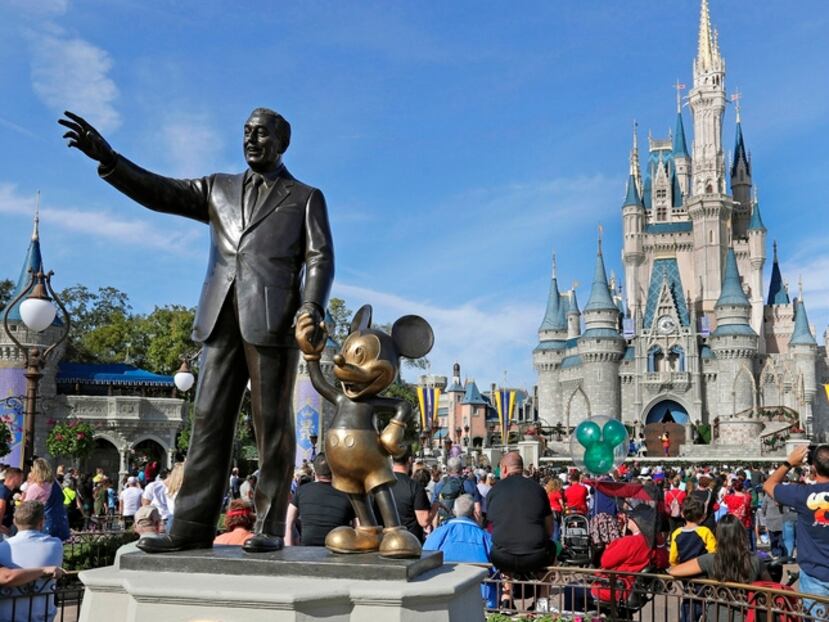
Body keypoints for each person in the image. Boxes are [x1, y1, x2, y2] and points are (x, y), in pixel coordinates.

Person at [60, 105, 335, 555]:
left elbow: (320, 257)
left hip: (272, 320)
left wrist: (311, 307)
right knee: (207, 420)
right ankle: (190, 525)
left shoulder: (304, 196)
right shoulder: (218, 188)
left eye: (262, 134)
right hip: (220, 316)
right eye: (246, 132)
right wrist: (109, 159)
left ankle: (267, 524)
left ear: (283, 142)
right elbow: (160, 192)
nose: (251, 140)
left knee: (270, 426)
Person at [764, 445, 829, 615]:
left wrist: (789, 463)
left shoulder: (802, 494)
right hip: (815, 574)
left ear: (813, 468)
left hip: (815, 575)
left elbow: (769, 485)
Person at [669, 514, 770, 622]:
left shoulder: (710, 560)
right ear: (741, 534)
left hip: (716, 614)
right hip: (746, 615)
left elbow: (674, 571)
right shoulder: (755, 560)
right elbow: (770, 586)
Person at [564, 505, 656, 612]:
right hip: (633, 589)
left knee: (571, 588)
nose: (628, 519)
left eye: (630, 517)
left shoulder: (629, 542)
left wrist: (615, 543)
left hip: (615, 588)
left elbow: (605, 561)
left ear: (636, 521)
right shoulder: (651, 543)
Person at [486, 452, 556, 576]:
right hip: (536, 556)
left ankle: (507, 590)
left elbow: (489, 526)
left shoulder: (494, 491)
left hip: (502, 557)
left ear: (505, 469)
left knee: (500, 547)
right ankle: (544, 593)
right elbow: (549, 529)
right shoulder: (538, 489)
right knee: (552, 547)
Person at [423, 494, 496, 608]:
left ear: (453, 511)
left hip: (442, 594)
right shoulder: (485, 537)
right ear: (473, 513)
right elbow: (496, 567)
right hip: (481, 597)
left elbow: (424, 559)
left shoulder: (438, 533)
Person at [0, 501, 64, 622]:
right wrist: (43, 570)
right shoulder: (55, 544)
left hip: (7, 615)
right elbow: (7, 576)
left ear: (14, 521)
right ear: (41, 522)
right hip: (42, 615)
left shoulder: (2, 548)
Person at [284, 453, 354, 546]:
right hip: (337, 552)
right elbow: (359, 527)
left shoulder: (302, 491)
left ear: (315, 472)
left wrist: (290, 551)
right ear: (335, 470)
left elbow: (288, 523)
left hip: (306, 553)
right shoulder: (348, 495)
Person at [669, 496, 717, 622]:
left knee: (688, 599)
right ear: (702, 517)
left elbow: (673, 557)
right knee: (700, 600)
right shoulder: (705, 532)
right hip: (702, 572)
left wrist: (676, 567)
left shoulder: (677, 533)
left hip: (685, 572)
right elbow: (713, 552)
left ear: (683, 515)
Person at [379, 450, 431, 542]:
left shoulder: (381, 485)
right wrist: (436, 506)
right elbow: (424, 521)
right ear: (410, 460)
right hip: (410, 542)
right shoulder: (415, 487)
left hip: (384, 541)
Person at [432, 458, 481, 526]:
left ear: (447, 470)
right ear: (461, 470)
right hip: (465, 524)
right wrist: (478, 526)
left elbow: (434, 511)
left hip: (445, 524)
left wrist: (435, 530)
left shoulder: (439, 485)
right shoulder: (470, 484)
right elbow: (477, 509)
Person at [0, 468, 23, 535]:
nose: (21, 481)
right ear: (14, 477)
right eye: (20, 478)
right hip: (4, 528)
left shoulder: (9, 491)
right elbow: (1, 508)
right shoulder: (3, 490)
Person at [544, 477, 564, 542]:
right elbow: (561, 503)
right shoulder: (557, 493)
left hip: (549, 511)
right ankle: (555, 543)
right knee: (556, 528)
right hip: (556, 511)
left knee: (550, 528)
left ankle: (550, 541)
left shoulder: (547, 493)